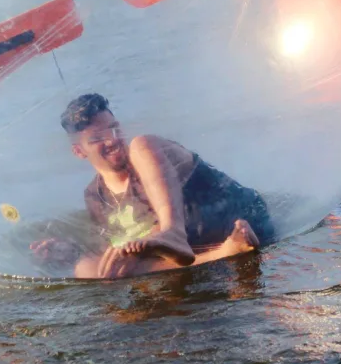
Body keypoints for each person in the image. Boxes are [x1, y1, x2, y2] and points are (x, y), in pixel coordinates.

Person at [31, 94, 276, 279]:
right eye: (96, 139)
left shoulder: (150, 156)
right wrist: (73, 251)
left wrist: (144, 245)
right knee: (88, 270)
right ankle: (225, 253)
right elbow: (113, 243)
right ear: (78, 151)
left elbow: (150, 228)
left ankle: (173, 232)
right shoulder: (95, 195)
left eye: (114, 129)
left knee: (141, 144)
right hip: (211, 250)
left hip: (241, 219)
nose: (112, 141)